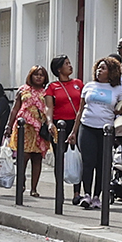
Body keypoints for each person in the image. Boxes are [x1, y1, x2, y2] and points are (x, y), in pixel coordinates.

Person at [74, 56, 122, 210]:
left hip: (105, 130)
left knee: (102, 164)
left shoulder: (118, 89)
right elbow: (80, 110)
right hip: (87, 126)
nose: (99, 71)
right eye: (98, 68)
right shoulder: (89, 86)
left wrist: (120, 110)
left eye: (103, 68)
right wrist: (73, 132)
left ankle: (97, 196)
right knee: (88, 162)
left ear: (111, 72)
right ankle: (86, 194)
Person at [10, 66, 56, 196]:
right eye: (36, 74)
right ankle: (21, 181)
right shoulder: (22, 90)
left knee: (37, 159)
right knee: (23, 157)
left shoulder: (46, 92)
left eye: (41, 75)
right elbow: (15, 109)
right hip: (24, 128)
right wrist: (8, 126)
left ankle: (34, 188)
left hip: (39, 130)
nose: (39, 77)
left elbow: (49, 108)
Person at [44, 55, 85, 196]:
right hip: (59, 124)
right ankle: (59, 191)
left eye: (69, 63)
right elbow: (49, 107)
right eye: (66, 64)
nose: (70, 66)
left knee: (77, 156)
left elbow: (83, 103)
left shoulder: (78, 83)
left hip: (76, 123)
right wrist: (50, 123)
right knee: (60, 156)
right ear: (59, 69)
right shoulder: (52, 87)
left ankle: (77, 192)